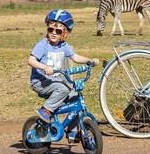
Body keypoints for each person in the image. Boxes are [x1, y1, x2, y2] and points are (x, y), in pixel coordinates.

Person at [28, 9, 99, 142]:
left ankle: (72, 132)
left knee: (74, 96)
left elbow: (75, 57)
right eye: (51, 29)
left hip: (55, 81)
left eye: (58, 31)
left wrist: (90, 60)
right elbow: (31, 60)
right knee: (64, 88)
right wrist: (44, 67)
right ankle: (45, 110)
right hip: (40, 81)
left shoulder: (64, 46)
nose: (54, 33)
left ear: (65, 33)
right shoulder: (42, 45)